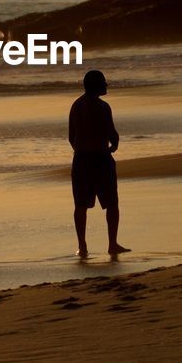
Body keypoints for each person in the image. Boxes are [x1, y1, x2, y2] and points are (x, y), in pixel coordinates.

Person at [68, 70, 128, 258]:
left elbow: (71, 136)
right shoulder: (103, 107)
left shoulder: (76, 105)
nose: (106, 85)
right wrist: (114, 145)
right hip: (101, 158)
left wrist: (81, 150)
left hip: (81, 159)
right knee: (112, 203)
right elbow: (112, 133)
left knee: (80, 205)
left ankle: (82, 245)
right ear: (97, 85)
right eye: (103, 82)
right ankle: (112, 243)